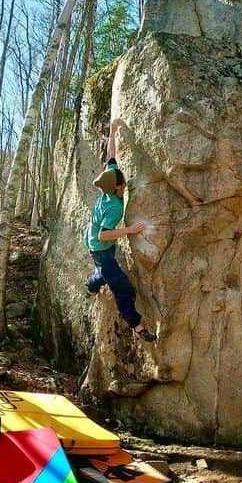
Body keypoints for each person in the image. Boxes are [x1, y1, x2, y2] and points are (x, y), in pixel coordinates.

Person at [85, 117, 156, 342]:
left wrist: (113, 131)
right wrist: (131, 229)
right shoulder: (114, 206)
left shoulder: (111, 177)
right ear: (114, 188)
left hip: (98, 242)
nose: (124, 185)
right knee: (123, 287)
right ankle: (136, 325)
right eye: (121, 185)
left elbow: (111, 156)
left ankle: (92, 285)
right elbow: (103, 234)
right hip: (99, 246)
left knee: (105, 273)